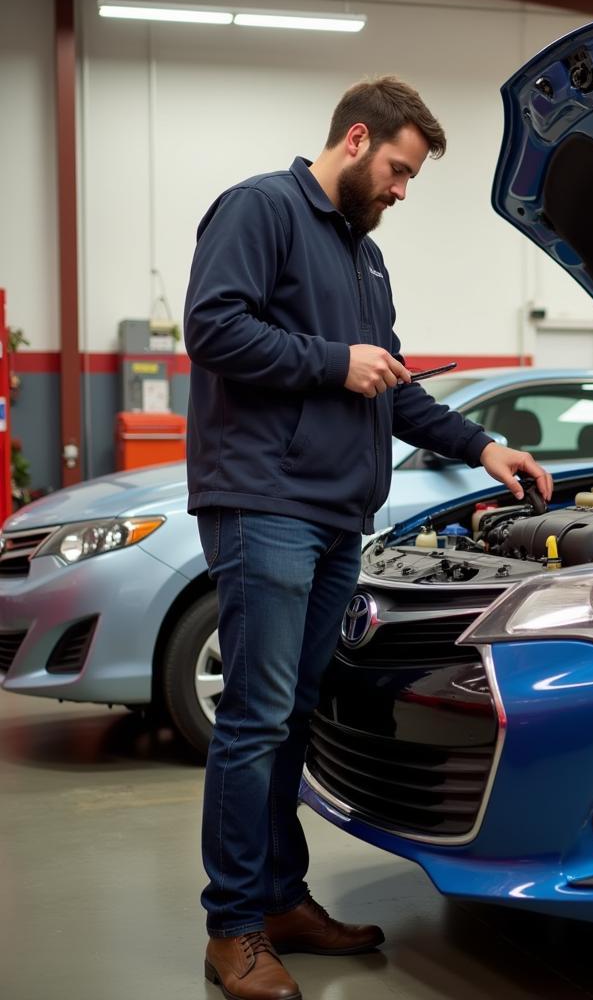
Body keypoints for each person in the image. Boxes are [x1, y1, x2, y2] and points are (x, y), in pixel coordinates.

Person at [184, 76, 553, 1000]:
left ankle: (278, 898)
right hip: (265, 501)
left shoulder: (363, 257)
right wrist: (330, 361)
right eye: (397, 170)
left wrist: (484, 446)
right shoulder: (260, 209)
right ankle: (231, 926)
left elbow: (388, 385)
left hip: (338, 515)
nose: (400, 191)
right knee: (255, 719)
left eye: (410, 178)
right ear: (356, 139)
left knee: (295, 715)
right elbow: (212, 328)